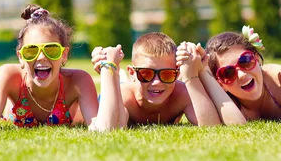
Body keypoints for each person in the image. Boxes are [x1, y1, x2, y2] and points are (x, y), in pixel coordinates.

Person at [0, 4, 122, 131]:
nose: (41, 57)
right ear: (21, 57)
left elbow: (103, 129)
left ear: (64, 55)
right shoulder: (8, 76)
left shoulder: (78, 81)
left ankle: (124, 82)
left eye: (52, 50)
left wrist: (109, 69)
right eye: (31, 51)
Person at [90, 32, 223, 127]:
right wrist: (111, 72)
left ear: (177, 75)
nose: (157, 82)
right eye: (146, 74)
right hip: (121, 85)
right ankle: (121, 75)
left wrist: (192, 76)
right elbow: (112, 127)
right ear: (133, 73)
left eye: (167, 75)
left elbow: (211, 125)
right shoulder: (123, 97)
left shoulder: (182, 94)